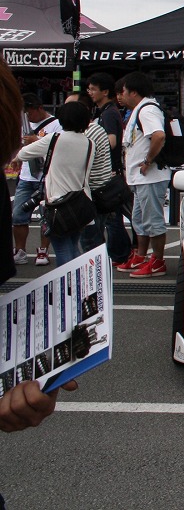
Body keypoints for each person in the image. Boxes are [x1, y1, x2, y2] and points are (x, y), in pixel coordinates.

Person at [0, 56, 77, 446]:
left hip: (55, 198)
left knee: (63, 246)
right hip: (68, 200)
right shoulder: (77, 139)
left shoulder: (56, 137)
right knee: (67, 250)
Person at [17, 100, 105, 268]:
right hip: (81, 202)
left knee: (62, 249)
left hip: (58, 204)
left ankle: (69, 282)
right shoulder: (89, 143)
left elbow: (23, 153)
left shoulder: (55, 139)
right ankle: (79, 280)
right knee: (73, 246)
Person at [117, 72, 172, 277]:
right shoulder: (139, 110)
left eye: (123, 91)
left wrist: (148, 161)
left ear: (134, 92)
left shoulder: (147, 110)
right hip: (141, 178)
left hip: (151, 177)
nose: (121, 95)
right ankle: (141, 256)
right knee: (139, 219)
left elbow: (158, 136)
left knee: (152, 220)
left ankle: (157, 261)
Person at [83, 74, 133, 263]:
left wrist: (90, 147)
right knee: (113, 217)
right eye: (89, 89)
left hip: (109, 172)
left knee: (112, 218)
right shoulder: (105, 112)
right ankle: (121, 253)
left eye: (93, 89)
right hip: (111, 171)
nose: (90, 92)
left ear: (105, 92)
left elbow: (111, 141)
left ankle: (120, 254)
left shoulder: (109, 113)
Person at [11, 93, 59, 266]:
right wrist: (18, 157)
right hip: (26, 176)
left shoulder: (56, 124)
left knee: (46, 216)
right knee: (18, 215)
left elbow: (58, 147)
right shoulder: (24, 123)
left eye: (29, 112)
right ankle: (20, 250)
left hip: (46, 176)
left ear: (39, 108)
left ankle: (43, 251)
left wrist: (36, 140)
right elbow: (20, 146)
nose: (28, 116)